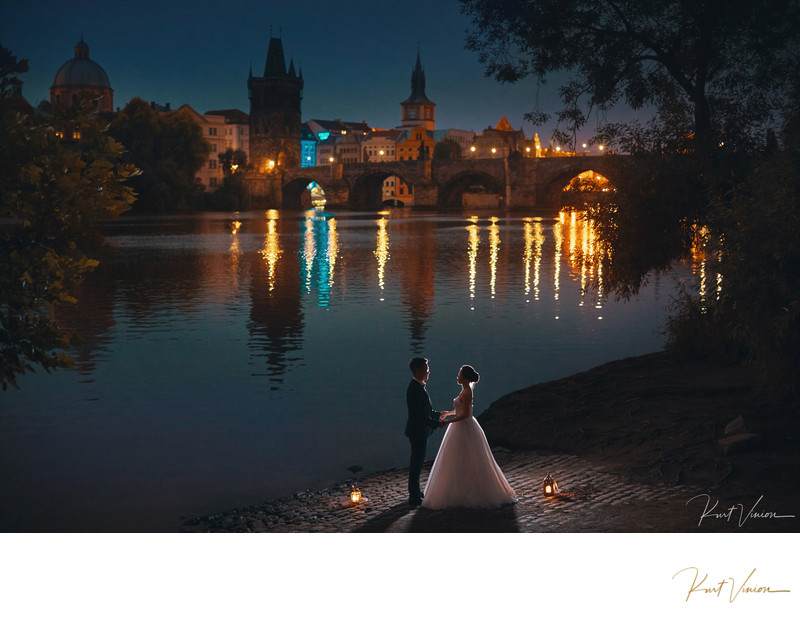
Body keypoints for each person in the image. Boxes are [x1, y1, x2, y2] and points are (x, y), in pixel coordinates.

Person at [422, 364, 517, 510]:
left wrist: (448, 422)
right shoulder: (465, 391)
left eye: (459, 374)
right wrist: (448, 413)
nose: (457, 376)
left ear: (465, 378)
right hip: (460, 426)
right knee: (459, 458)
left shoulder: (467, 392)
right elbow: (460, 410)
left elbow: (466, 415)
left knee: (469, 458)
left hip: (465, 427)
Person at [405, 357, 447, 506]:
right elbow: (419, 415)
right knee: (416, 463)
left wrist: (438, 414)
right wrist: (436, 424)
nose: (428, 371)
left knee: (418, 462)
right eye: (426, 368)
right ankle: (414, 496)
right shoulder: (415, 389)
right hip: (418, 431)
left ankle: (416, 491)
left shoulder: (418, 386)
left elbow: (425, 410)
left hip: (421, 430)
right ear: (418, 370)